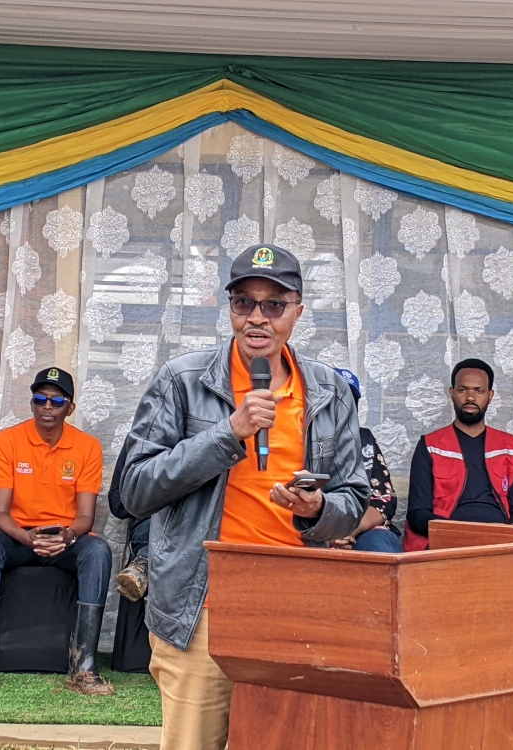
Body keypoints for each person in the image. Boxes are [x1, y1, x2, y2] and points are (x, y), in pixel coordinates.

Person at [120, 244, 368, 750]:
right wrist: (226, 435)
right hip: (202, 605)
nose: (258, 317)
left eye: (274, 304)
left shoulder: (328, 391)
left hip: (294, 604)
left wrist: (317, 510)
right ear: (228, 306)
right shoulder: (182, 380)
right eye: (244, 303)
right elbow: (133, 489)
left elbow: (355, 499)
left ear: (299, 310)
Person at [0, 367, 114, 696]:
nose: (47, 406)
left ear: (70, 408)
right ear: (31, 403)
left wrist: (67, 536)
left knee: (98, 551)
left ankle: (83, 667)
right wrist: (28, 538)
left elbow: (86, 517)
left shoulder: (87, 447)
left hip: (65, 538)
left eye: (56, 401)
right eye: (40, 399)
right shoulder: (8, 440)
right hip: (18, 536)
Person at [404, 358, 513, 549]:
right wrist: (461, 534)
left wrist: (506, 535)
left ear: (490, 396)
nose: (470, 397)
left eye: (478, 391)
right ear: (452, 393)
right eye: (463, 390)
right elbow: (417, 513)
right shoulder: (430, 445)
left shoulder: (510, 446)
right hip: (447, 541)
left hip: (499, 540)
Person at [329, 368, 402, 553]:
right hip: (312, 527)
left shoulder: (364, 439)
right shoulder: (300, 438)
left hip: (361, 527)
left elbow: (385, 499)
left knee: (380, 544)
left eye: (348, 400)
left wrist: (350, 530)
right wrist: (327, 534)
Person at [108, 443, 150, 602]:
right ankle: (143, 564)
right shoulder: (145, 436)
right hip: (149, 530)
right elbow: (117, 504)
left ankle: (143, 564)